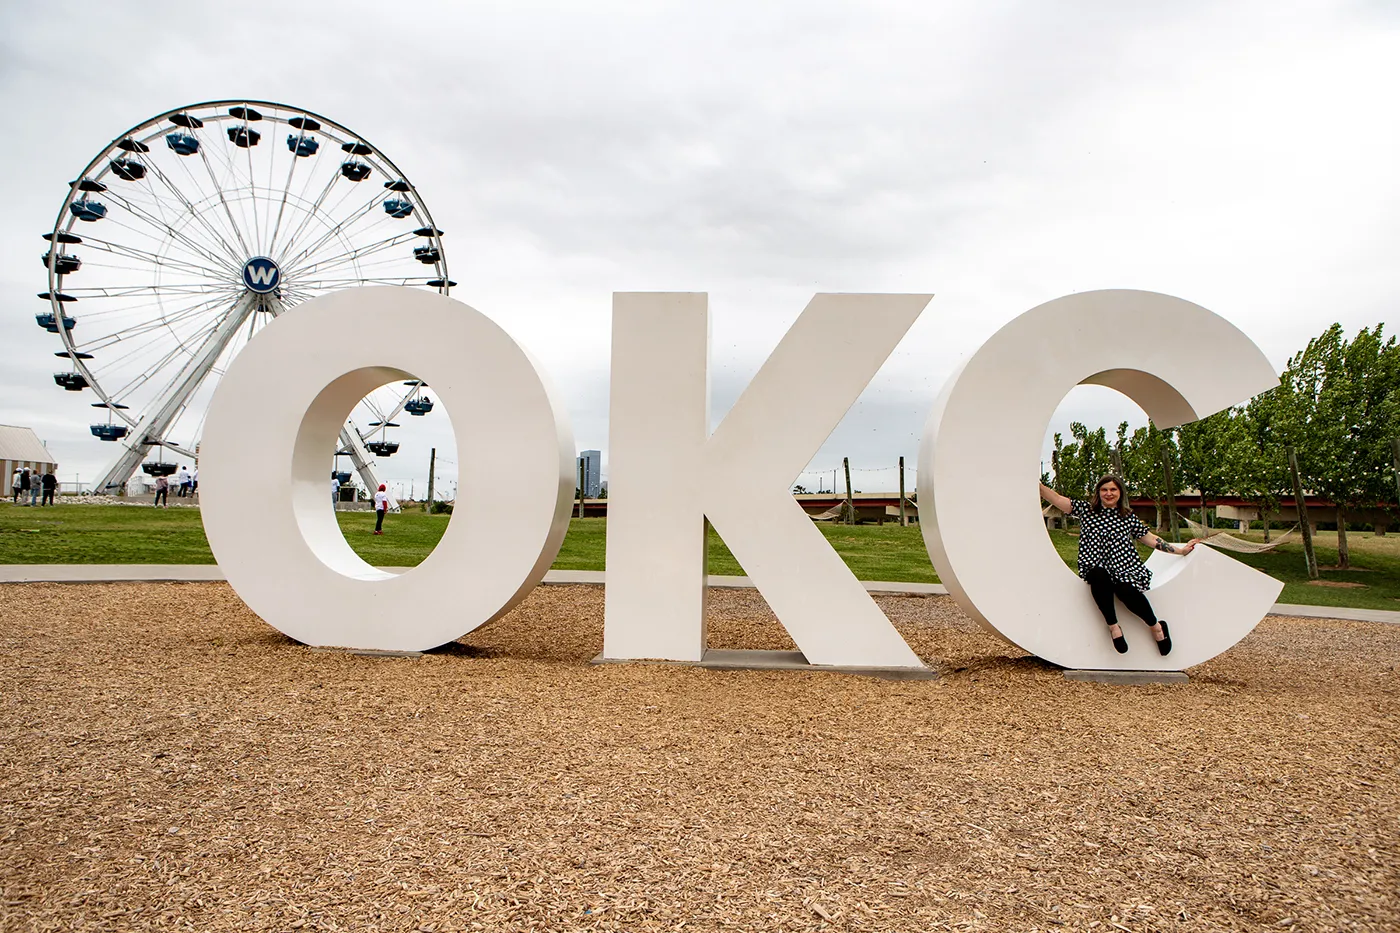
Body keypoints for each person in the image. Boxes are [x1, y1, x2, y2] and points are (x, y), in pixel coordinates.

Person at [1039, 475, 1198, 655]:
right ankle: (1114, 627)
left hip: (1123, 567)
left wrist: (1181, 551)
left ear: (1120, 493)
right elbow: (1058, 500)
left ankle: (1156, 626)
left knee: (1125, 590)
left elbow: (1151, 539)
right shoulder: (1087, 509)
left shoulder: (1127, 516)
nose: (1108, 493)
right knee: (1099, 576)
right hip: (1094, 565)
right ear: (1098, 493)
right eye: (1104, 490)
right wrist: (1037, 486)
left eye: (1113, 490)